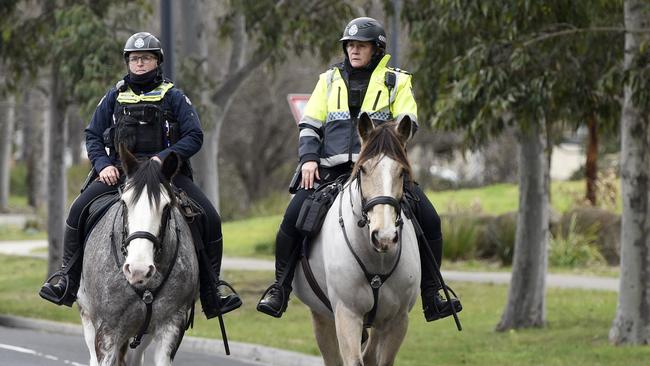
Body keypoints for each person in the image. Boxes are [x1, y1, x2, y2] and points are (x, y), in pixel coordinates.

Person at [257, 17, 462, 322]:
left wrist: (384, 149)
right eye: (350, 45)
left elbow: (408, 121)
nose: (353, 50)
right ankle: (279, 288)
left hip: (382, 172)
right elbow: (310, 124)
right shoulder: (327, 80)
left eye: (361, 45)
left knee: (429, 218)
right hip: (333, 170)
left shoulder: (397, 81)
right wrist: (308, 159)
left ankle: (432, 293)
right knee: (293, 215)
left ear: (376, 50)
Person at [39, 32, 241, 319]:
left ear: (157, 61)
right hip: (121, 173)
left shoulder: (174, 96)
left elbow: (195, 135)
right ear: (128, 62)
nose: (140, 63)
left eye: (145, 58)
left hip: (166, 176)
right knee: (78, 209)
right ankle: (67, 280)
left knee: (210, 217)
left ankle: (212, 292)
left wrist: (164, 158)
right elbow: (93, 135)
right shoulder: (114, 95)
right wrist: (102, 165)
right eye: (135, 59)